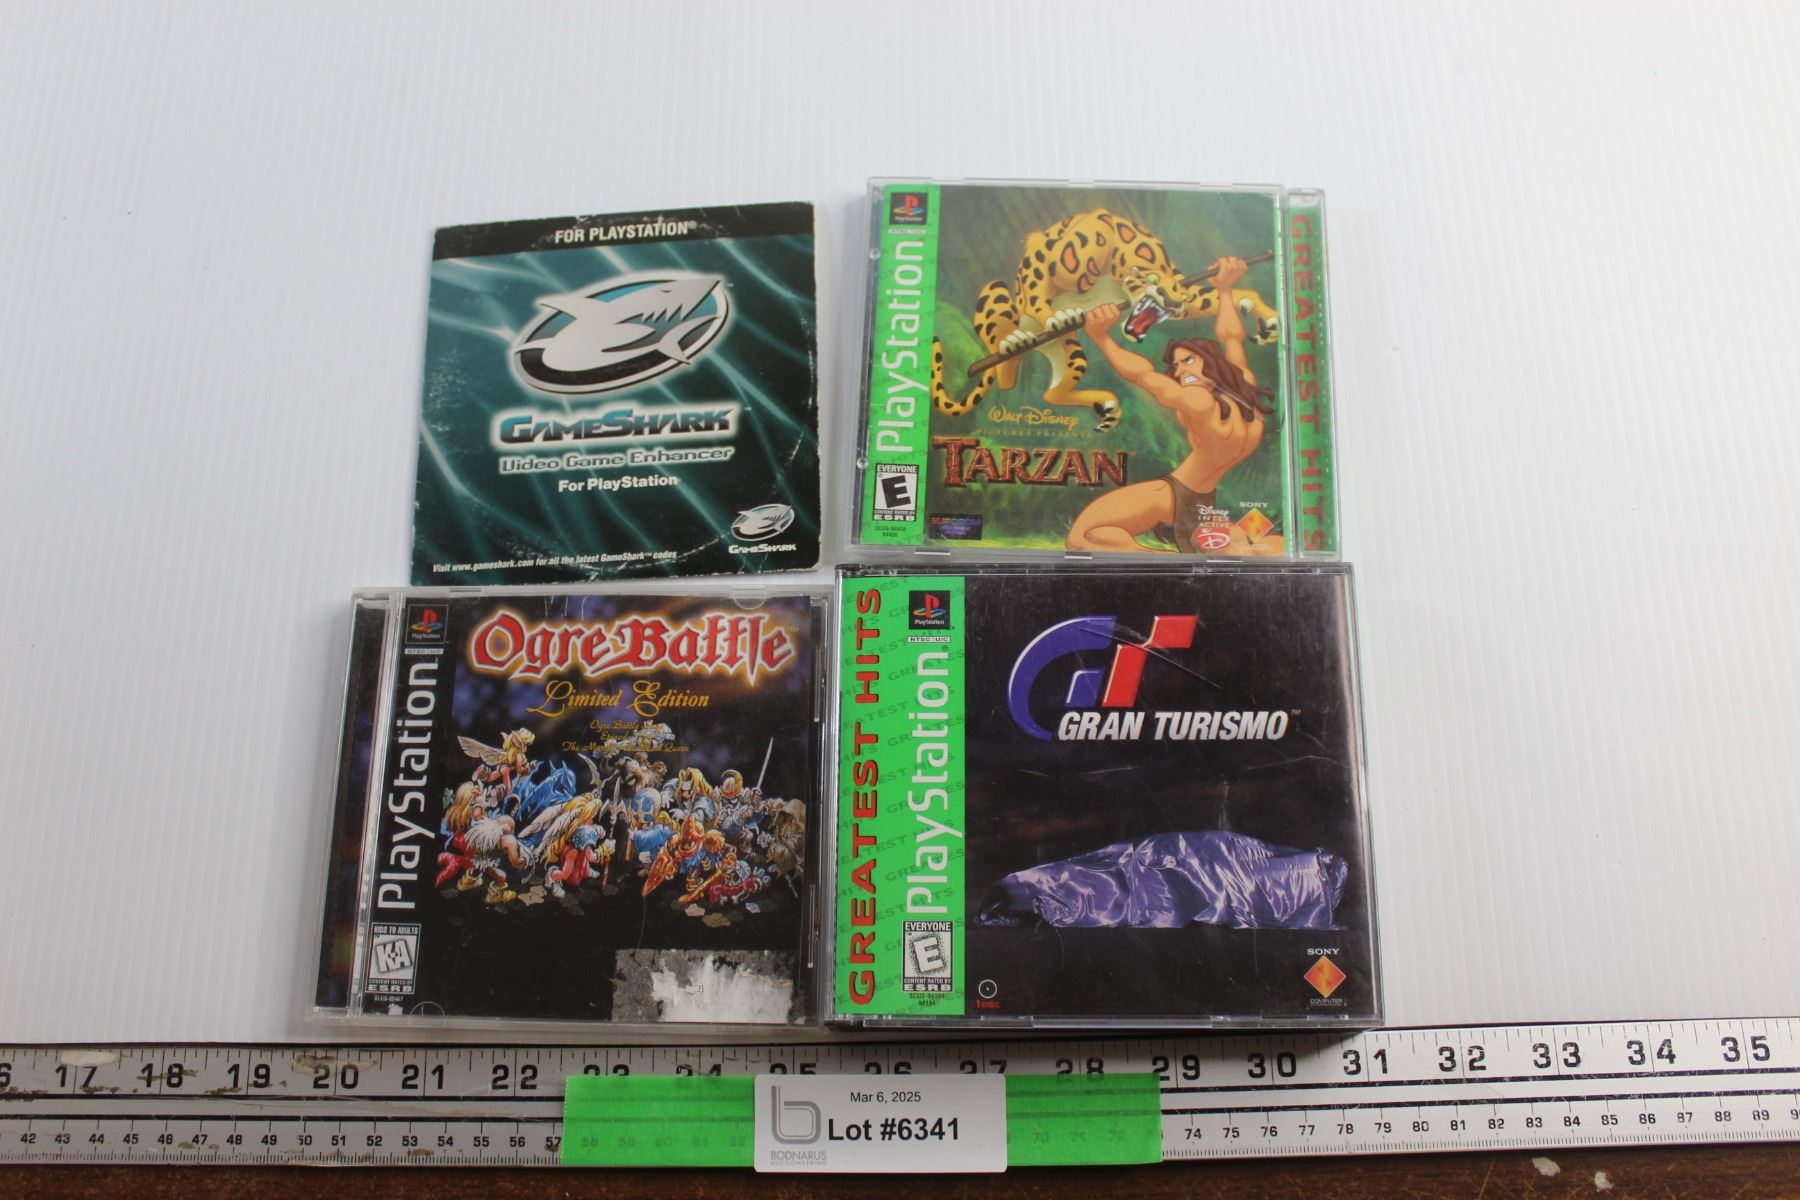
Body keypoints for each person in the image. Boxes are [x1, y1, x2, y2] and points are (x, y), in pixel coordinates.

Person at [1065, 256, 1281, 555]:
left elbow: (1143, 375)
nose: (1180, 371)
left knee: (1081, 536)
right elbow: (1232, 337)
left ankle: (1162, 559)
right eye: (1177, 366)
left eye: (1188, 360)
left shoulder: (1199, 400)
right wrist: (1225, 289)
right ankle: (1218, 551)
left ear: (1213, 363)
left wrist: (1101, 337)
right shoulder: (1245, 387)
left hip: (1170, 495)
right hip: (1203, 503)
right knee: (1257, 544)